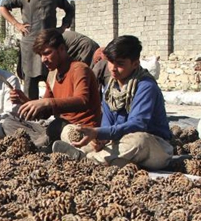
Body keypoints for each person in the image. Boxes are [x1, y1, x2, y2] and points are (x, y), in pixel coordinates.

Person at [63, 35, 173, 170]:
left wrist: (99, 132)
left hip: (153, 146)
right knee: (69, 130)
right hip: (117, 141)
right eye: (110, 62)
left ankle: (86, 160)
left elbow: (137, 124)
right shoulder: (111, 87)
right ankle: (113, 161)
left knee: (138, 140)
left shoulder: (146, 86)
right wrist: (101, 139)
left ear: (135, 63)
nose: (113, 68)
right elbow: (107, 123)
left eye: (120, 64)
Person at [9, 29, 100, 148]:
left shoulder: (79, 69)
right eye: (41, 55)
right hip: (57, 126)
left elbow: (83, 100)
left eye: (47, 53)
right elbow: (45, 113)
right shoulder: (52, 75)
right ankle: (42, 142)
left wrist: (47, 102)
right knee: (9, 122)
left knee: (56, 127)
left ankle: (41, 144)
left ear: (61, 49)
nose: (43, 59)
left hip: (78, 129)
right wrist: (27, 103)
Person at [0, 0, 74, 100]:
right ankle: (30, 114)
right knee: (29, 80)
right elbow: (3, 8)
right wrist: (17, 24)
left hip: (50, 45)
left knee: (54, 78)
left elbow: (69, 9)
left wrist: (63, 27)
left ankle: (54, 111)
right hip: (30, 45)